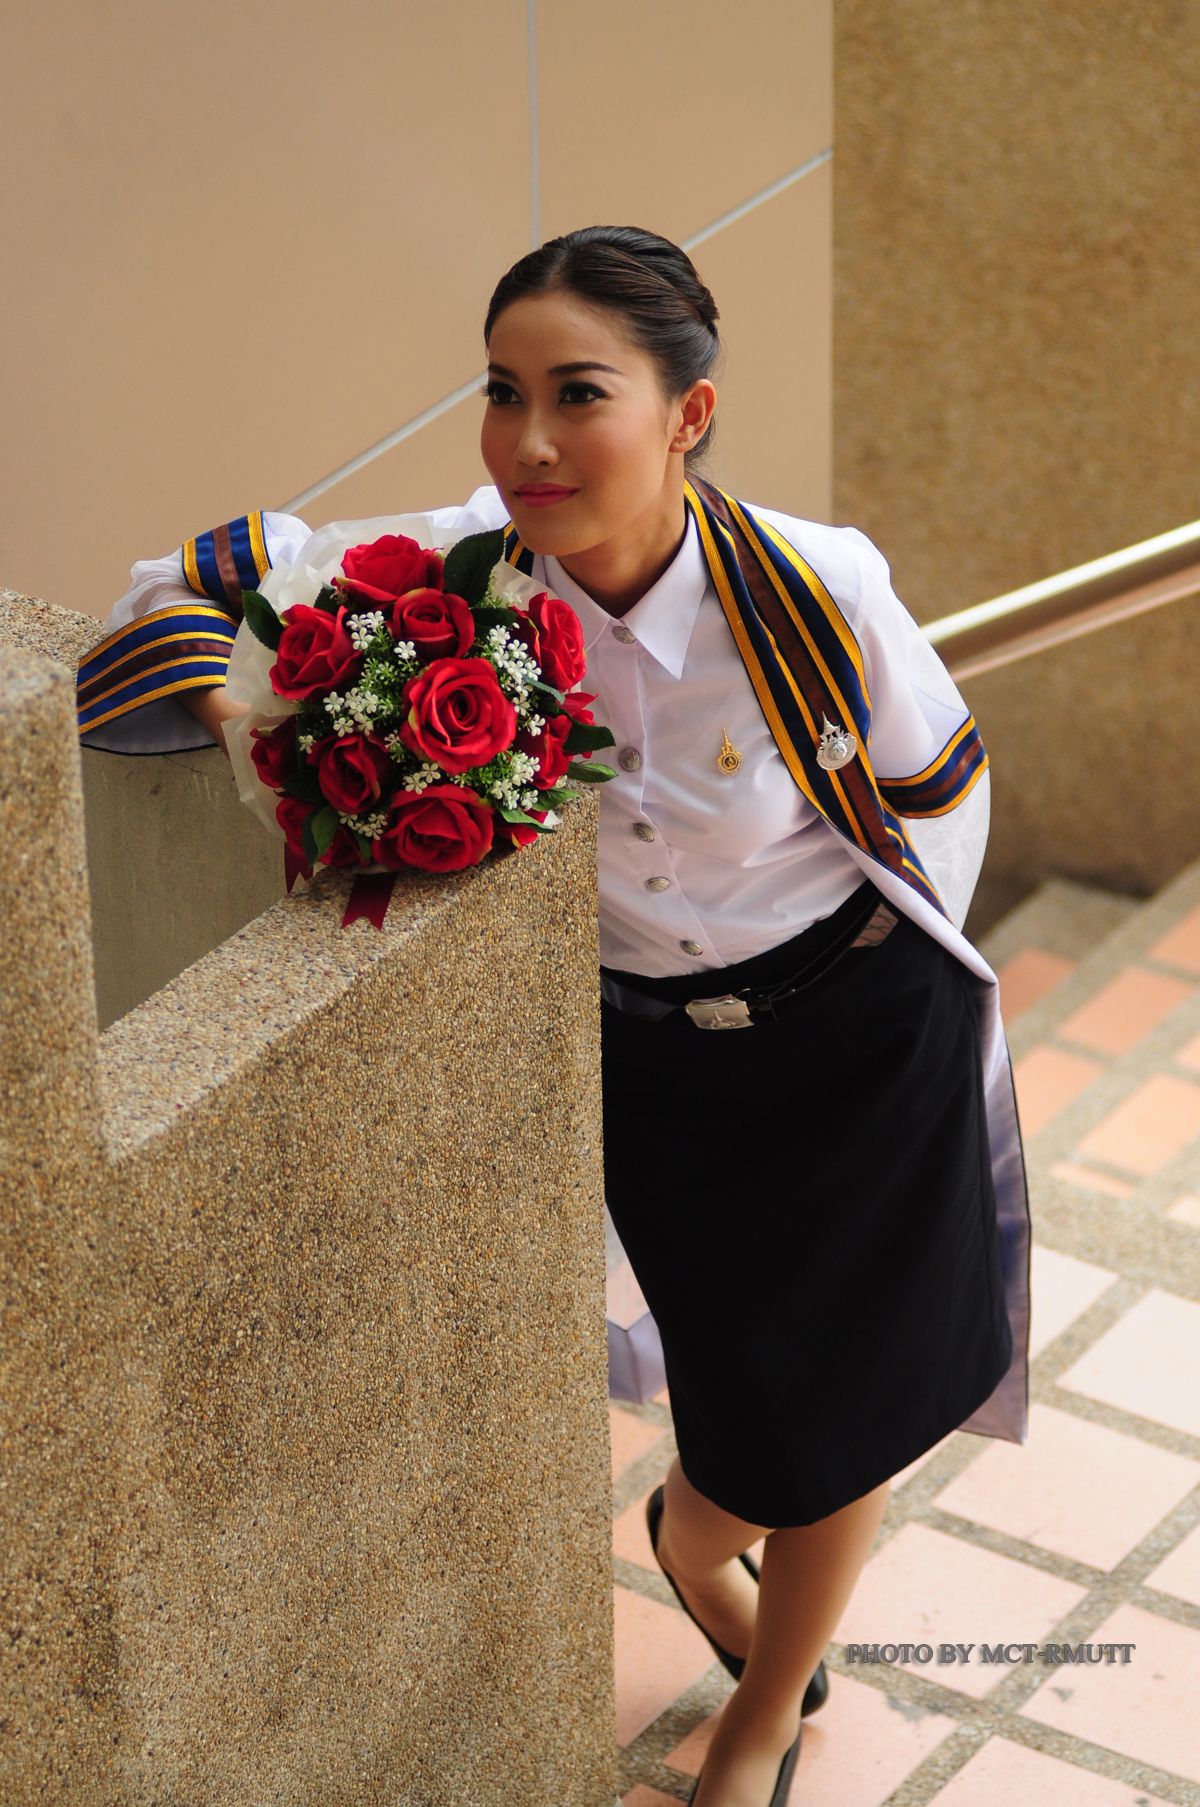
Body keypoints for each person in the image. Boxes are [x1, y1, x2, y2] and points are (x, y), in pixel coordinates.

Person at [76, 224, 1031, 1807]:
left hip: (864, 1046)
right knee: (747, 1402)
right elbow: (178, 593)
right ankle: (695, 1542)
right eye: (502, 392)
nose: (528, 441)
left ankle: (763, 1714)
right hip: (654, 1073)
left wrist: (888, 992)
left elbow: (938, 799)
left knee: (846, 1414)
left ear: (688, 414)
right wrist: (232, 691)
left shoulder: (817, 586)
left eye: (579, 394)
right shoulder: (448, 579)